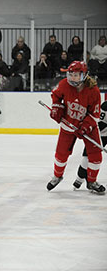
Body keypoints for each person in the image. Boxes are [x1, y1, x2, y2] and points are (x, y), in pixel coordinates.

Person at [47, 61, 104, 194]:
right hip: (68, 124)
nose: (72, 77)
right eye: (70, 74)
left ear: (84, 75)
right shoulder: (64, 85)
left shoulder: (93, 90)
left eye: (76, 75)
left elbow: (95, 114)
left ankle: (92, 181)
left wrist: (85, 127)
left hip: (88, 128)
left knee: (96, 155)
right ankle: (57, 176)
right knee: (61, 154)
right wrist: (56, 108)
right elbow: (56, 96)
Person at [73, 100, 107, 191]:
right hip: (98, 135)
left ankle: (80, 180)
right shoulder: (105, 106)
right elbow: (101, 124)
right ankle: (79, 180)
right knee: (88, 157)